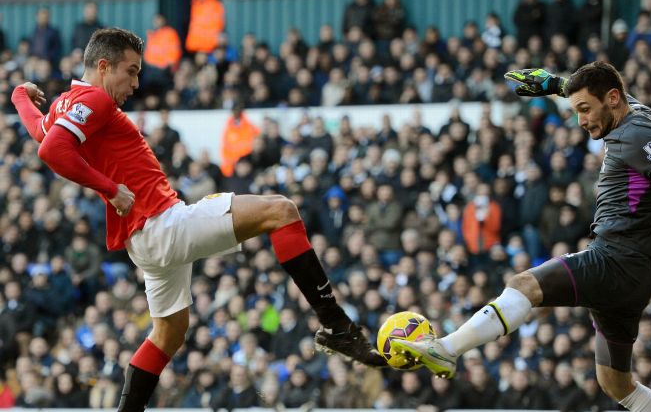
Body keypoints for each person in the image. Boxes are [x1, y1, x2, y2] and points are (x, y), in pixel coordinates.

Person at [10, 28, 385, 412]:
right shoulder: (95, 99)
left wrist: (19, 95)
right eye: (131, 71)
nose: (136, 84)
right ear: (103, 66)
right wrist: (111, 188)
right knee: (282, 210)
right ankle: (339, 326)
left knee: (168, 335)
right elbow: (52, 151)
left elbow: (41, 133)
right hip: (162, 224)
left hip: (145, 241)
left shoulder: (67, 104)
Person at [391, 61, 651, 412]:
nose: (581, 121)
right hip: (635, 275)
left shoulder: (639, 136)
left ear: (612, 98)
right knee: (617, 384)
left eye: (585, 110)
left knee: (524, 285)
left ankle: (446, 350)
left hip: (614, 259)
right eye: (576, 109)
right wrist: (554, 84)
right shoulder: (635, 111)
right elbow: (604, 94)